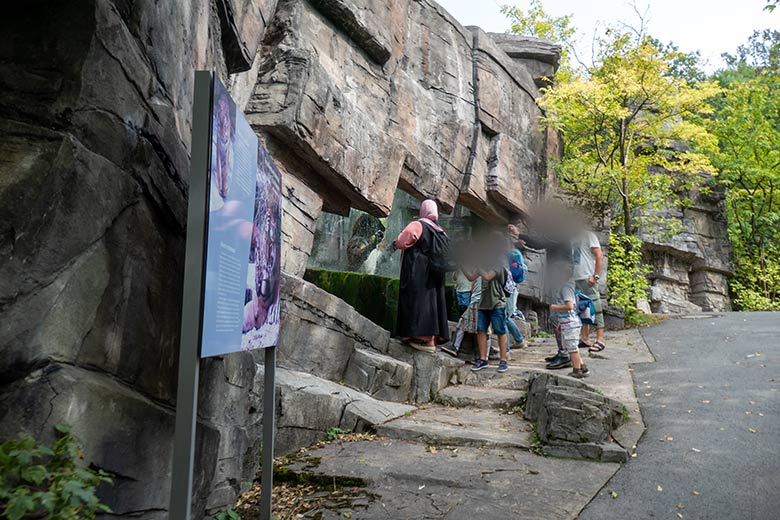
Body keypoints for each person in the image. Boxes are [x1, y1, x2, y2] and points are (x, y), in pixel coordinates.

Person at [394, 199, 450, 353]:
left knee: (415, 302)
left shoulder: (418, 225)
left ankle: (422, 340)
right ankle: (432, 339)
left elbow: (401, 242)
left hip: (417, 273)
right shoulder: (440, 231)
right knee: (431, 305)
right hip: (434, 276)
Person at [469, 233, 510, 373]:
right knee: (481, 330)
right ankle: (482, 359)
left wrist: (477, 264)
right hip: (483, 303)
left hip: (497, 302)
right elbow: (470, 277)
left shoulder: (499, 262)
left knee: (500, 331)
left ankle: (503, 360)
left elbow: (487, 276)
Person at [550, 260, 589, 378]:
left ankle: (577, 370)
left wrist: (554, 307)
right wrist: (561, 324)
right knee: (573, 347)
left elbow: (569, 306)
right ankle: (582, 367)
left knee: (572, 348)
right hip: (568, 323)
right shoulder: (569, 285)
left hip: (571, 323)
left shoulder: (565, 288)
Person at [571, 229, 606, 352]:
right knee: (582, 307)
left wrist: (595, 276)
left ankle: (600, 339)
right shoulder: (572, 237)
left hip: (587, 277)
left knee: (595, 307)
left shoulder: (588, 235)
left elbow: (599, 255)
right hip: (576, 278)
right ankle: (585, 338)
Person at [441, 276, 492, 358]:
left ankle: (484, 356)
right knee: (463, 323)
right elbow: (471, 279)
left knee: (483, 329)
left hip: (482, 302)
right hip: (476, 301)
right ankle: (455, 348)